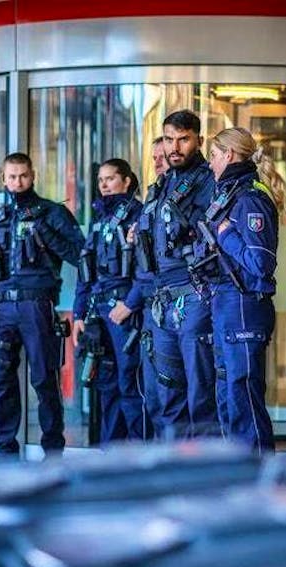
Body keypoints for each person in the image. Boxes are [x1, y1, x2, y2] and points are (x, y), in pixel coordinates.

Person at [116, 110, 217, 439]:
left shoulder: (208, 180)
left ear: (198, 140)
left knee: (201, 394)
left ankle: (206, 477)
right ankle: (176, 470)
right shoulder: (159, 187)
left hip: (194, 296)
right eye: (170, 139)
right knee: (167, 394)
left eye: (183, 139)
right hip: (160, 303)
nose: (175, 147)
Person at [0, 152, 84, 458]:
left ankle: (53, 451)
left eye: (23, 175)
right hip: (3, 308)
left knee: (44, 379)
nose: (17, 182)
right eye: (12, 177)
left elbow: (80, 254)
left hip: (37, 305)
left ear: (32, 175)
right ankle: (6, 451)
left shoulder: (50, 212)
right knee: (1, 381)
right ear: (3, 179)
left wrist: (46, 236)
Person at [202, 127, 282, 454]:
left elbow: (261, 263)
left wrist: (225, 235)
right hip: (224, 304)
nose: (210, 164)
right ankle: (237, 474)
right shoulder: (228, 193)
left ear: (230, 155)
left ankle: (260, 480)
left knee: (244, 397)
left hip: (244, 305)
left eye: (214, 156)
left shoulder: (251, 197)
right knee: (227, 396)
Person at [72, 158, 148, 443]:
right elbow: (85, 269)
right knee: (106, 383)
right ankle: (111, 452)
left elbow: (146, 269)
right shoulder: (99, 219)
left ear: (127, 181)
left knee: (130, 383)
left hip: (124, 312)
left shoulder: (139, 215)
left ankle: (139, 455)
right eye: (101, 180)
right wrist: (79, 314)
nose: (104, 185)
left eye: (111, 179)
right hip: (98, 312)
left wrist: (129, 304)